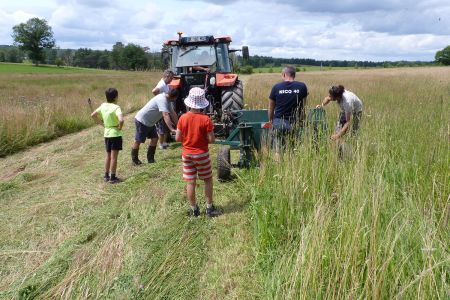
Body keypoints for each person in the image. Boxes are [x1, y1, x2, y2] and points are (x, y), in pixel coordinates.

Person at [175, 87, 220, 217]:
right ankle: (209, 208)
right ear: (202, 103)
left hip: (187, 155)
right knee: (207, 180)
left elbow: (178, 138)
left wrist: (188, 139)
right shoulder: (206, 120)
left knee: (190, 182)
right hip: (202, 154)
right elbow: (211, 139)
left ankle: (194, 209)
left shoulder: (182, 118)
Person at [131, 89, 179, 165]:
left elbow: (173, 113)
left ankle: (150, 159)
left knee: (155, 138)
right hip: (142, 120)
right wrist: (171, 129)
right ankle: (135, 160)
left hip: (151, 122)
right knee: (138, 140)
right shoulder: (162, 99)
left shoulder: (168, 100)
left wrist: (178, 126)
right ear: (174, 97)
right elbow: (165, 115)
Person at [268, 66, 308, 151]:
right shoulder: (302, 86)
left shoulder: (276, 87)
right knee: (294, 148)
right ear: (294, 75)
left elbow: (271, 108)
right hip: (294, 122)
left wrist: (271, 120)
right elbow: (304, 106)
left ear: (284, 74)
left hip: (279, 122)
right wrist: (302, 119)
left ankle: (277, 163)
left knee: (277, 149)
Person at [90, 88, 124, 184]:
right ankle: (113, 177)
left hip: (107, 133)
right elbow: (121, 120)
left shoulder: (103, 105)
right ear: (116, 97)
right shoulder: (116, 107)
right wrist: (120, 127)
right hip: (115, 134)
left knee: (108, 156)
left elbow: (93, 115)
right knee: (114, 157)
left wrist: (102, 124)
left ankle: (106, 175)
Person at [152, 69, 175, 150]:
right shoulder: (161, 84)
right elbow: (154, 91)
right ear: (167, 76)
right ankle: (161, 144)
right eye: (171, 78)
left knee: (165, 127)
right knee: (161, 128)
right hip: (161, 110)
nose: (172, 80)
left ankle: (165, 142)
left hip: (164, 108)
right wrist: (160, 98)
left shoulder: (165, 84)